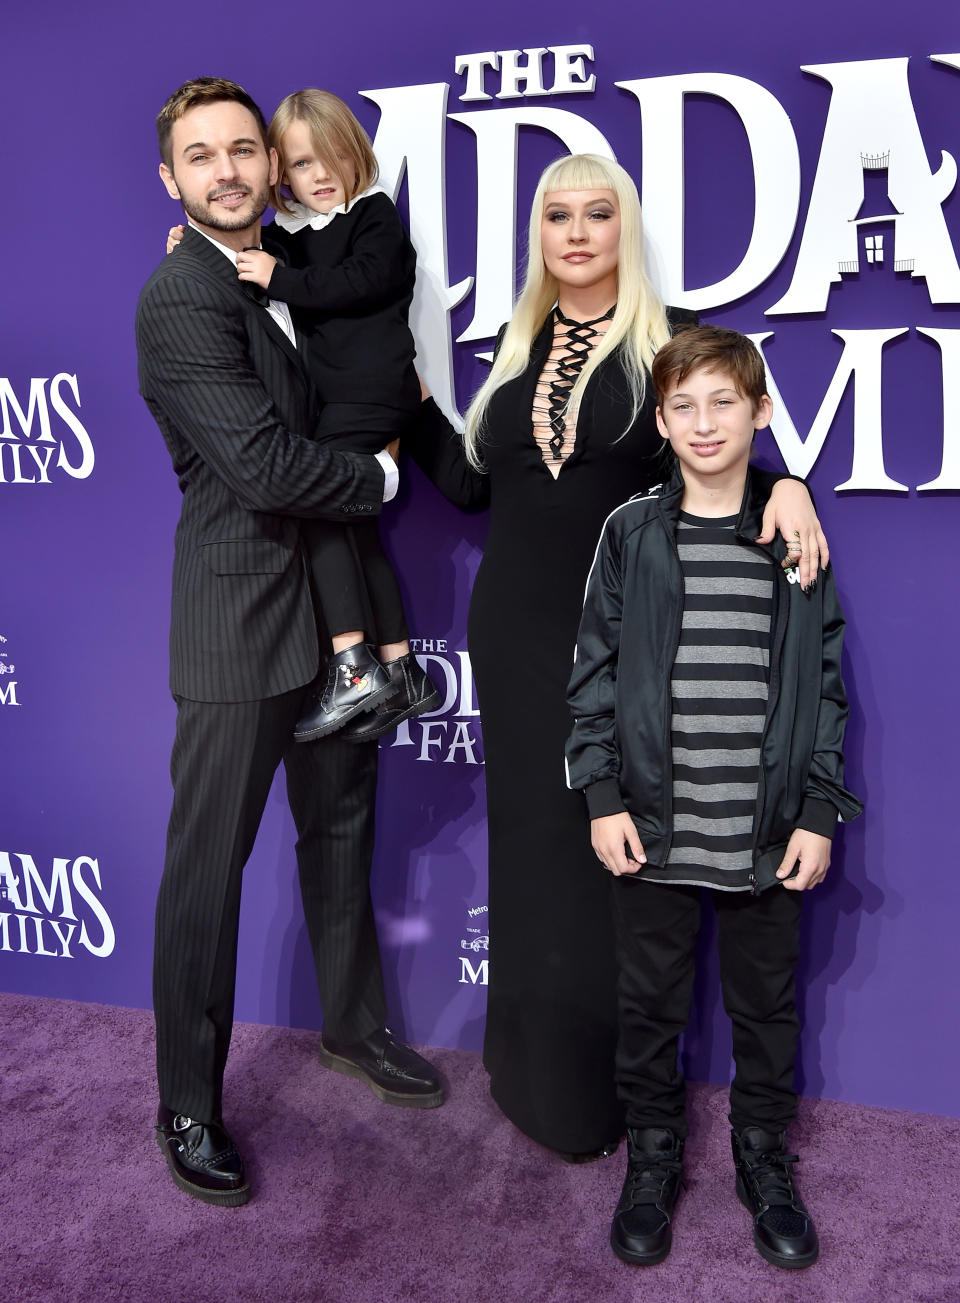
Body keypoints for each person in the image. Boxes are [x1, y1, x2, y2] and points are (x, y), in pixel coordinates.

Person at [405, 154, 829, 1160]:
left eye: (599, 212)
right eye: (559, 214)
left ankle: (610, 1101)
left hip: (625, 637)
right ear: (540, 235)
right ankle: (527, 1069)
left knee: (613, 858)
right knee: (530, 848)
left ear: (624, 228)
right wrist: (407, 397)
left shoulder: (666, 346)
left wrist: (788, 486)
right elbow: (471, 488)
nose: (579, 231)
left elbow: (715, 444)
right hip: (509, 634)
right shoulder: (517, 350)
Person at [137, 77, 442, 1208]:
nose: (226, 169)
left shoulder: (291, 278)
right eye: (200, 157)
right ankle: (185, 1102)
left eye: (241, 150)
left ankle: (353, 1027)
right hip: (236, 621)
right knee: (204, 880)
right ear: (171, 180)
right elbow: (262, 465)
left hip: (334, 615)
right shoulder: (180, 298)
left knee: (343, 832)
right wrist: (374, 475)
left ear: (271, 165)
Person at [565, 325, 862, 1267]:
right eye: (683, 406)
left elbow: (826, 684)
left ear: (760, 413)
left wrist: (818, 809)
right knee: (649, 1004)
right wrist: (603, 792)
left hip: (765, 829)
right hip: (654, 825)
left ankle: (762, 1156)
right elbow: (593, 676)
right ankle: (653, 1158)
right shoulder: (632, 533)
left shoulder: (793, 533)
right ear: (661, 419)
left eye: (723, 403)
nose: (703, 423)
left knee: (766, 1008)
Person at [168, 88, 439, 742]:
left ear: (356, 155)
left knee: (318, 509)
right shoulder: (298, 241)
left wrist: (274, 276)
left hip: (370, 394)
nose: (316, 177)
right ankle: (400, 669)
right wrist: (199, 250)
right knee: (353, 529)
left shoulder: (375, 216)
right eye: (297, 165)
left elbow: (361, 282)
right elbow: (258, 267)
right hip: (343, 397)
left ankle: (353, 665)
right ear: (278, 175)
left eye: (328, 159)